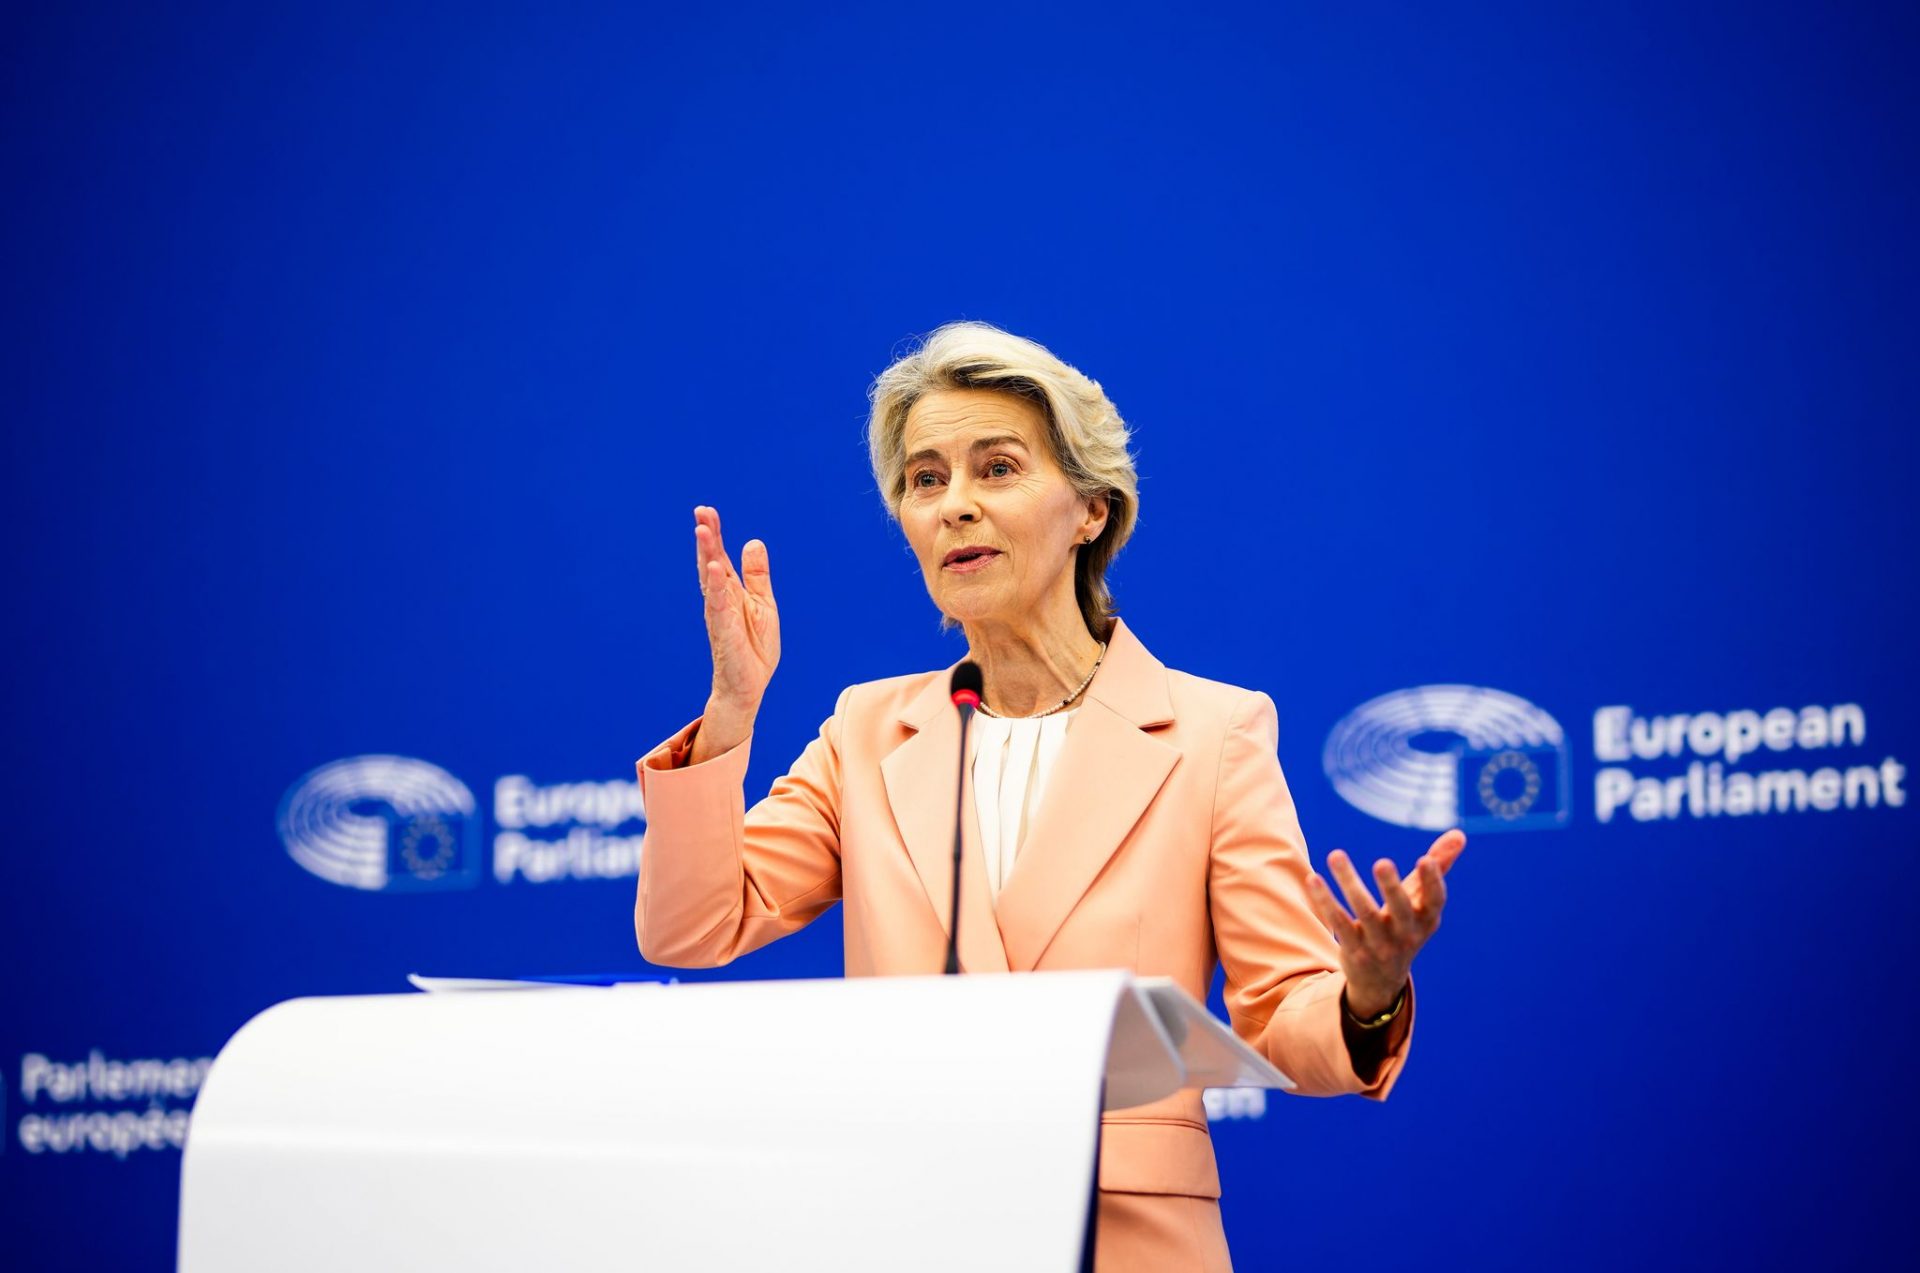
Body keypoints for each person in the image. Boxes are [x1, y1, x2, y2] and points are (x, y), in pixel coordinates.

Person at [634, 321, 1467, 1272]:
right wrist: (732, 717)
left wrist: (1366, 991)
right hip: (907, 1228)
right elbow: (690, 927)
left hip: (1125, 1237)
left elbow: (1282, 1016)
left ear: (1091, 510)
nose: (955, 506)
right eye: (925, 479)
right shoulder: (867, 733)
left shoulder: (1213, 733)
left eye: (996, 468)